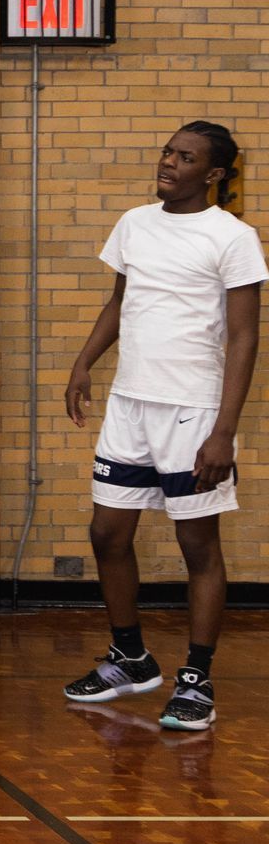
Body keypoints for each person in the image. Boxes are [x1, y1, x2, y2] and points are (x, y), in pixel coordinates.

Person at [63, 120, 265, 731]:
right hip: (130, 404)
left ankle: (197, 681)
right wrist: (83, 362)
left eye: (185, 157)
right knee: (107, 534)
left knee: (197, 547)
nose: (169, 163)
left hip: (193, 410)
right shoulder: (134, 223)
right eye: (167, 152)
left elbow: (244, 335)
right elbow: (121, 301)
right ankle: (130, 656)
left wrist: (224, 430)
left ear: (214, 174)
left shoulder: (233, 238)